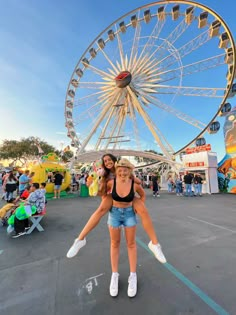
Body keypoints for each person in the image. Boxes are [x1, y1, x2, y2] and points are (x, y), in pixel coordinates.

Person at [67, 154, 166, 264]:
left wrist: (134, 184)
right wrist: (92, 185)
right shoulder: (105, 175)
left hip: (128, 195)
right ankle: (80, 240)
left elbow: (137, 183)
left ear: (115, 161)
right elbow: (101, 192)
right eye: (105, 161)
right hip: (112, 196)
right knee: (100, 211)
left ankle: (155, 244)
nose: (107, 162)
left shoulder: (124, 170)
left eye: (109, 160)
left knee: (143, 211)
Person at [106, 159, 145, 297]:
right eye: (120, 170)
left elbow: (142, 194)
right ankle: (114, 275)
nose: (122, 172)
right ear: (116, 171)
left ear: (130, 171)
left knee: (131, 244)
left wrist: (137, 206)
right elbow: (103, 195)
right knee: (114, 244)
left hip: (129, 214)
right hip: (114, 214)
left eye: (125, 170)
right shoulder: (111, 183)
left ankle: (133, 276)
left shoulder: (134, 184)